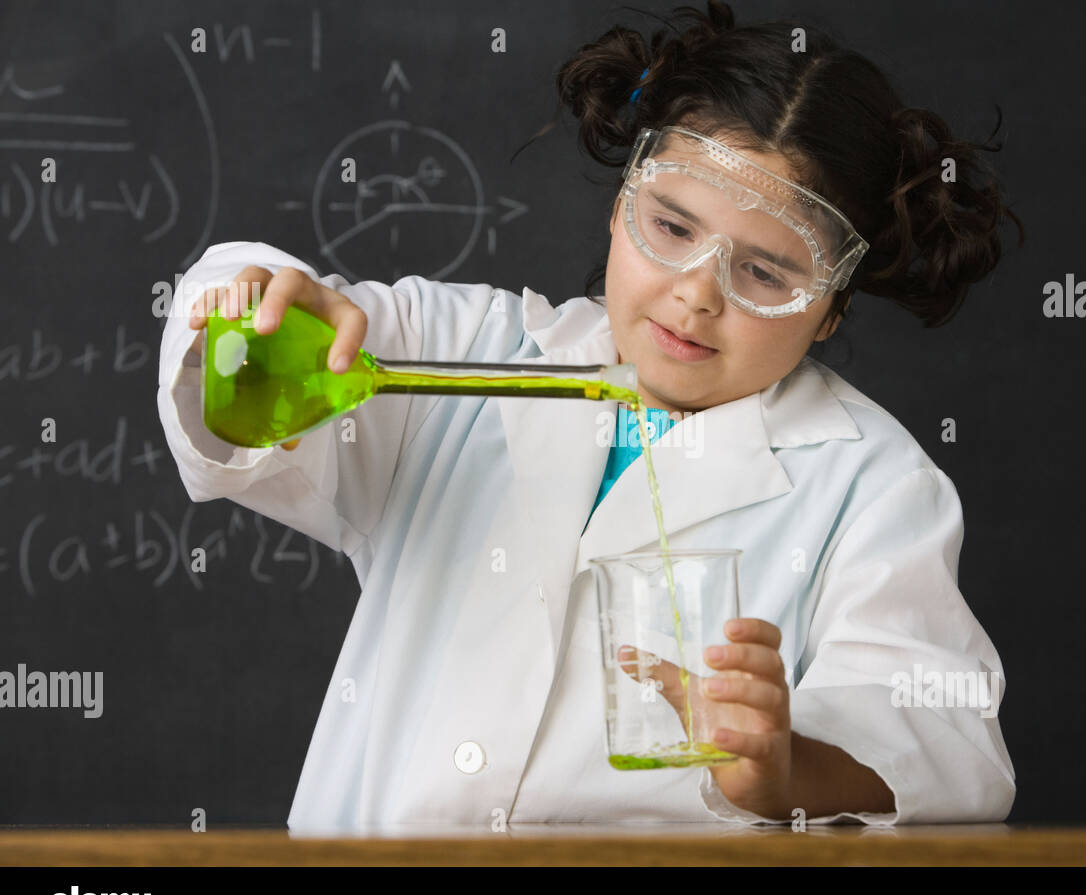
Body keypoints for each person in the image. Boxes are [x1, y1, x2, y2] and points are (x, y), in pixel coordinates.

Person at [157, 0, 1025, 832]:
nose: (696, 294)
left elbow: (948, 743)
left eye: (765, 274)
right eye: (672, 226)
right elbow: (226, 377)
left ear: (831, 308)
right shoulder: (462, 349)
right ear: (620, 207)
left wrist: (787, 770)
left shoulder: (871, 483)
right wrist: (260, 319)